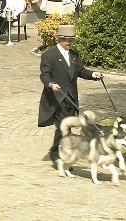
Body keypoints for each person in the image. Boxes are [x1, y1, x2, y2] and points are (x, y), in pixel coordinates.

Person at [40, 22, 103, 164]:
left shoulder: (74, 55)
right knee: (63, 125)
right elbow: (45, 75)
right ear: (60, 39)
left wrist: (93, 74)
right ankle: (58, 155)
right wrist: (51, 84)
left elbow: (81, 71)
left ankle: (58, 152)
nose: (70, 43)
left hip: (71, 97)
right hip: (57, 97)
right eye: (68, 40)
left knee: (66, 126)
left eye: (72, 40)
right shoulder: (49, 56)